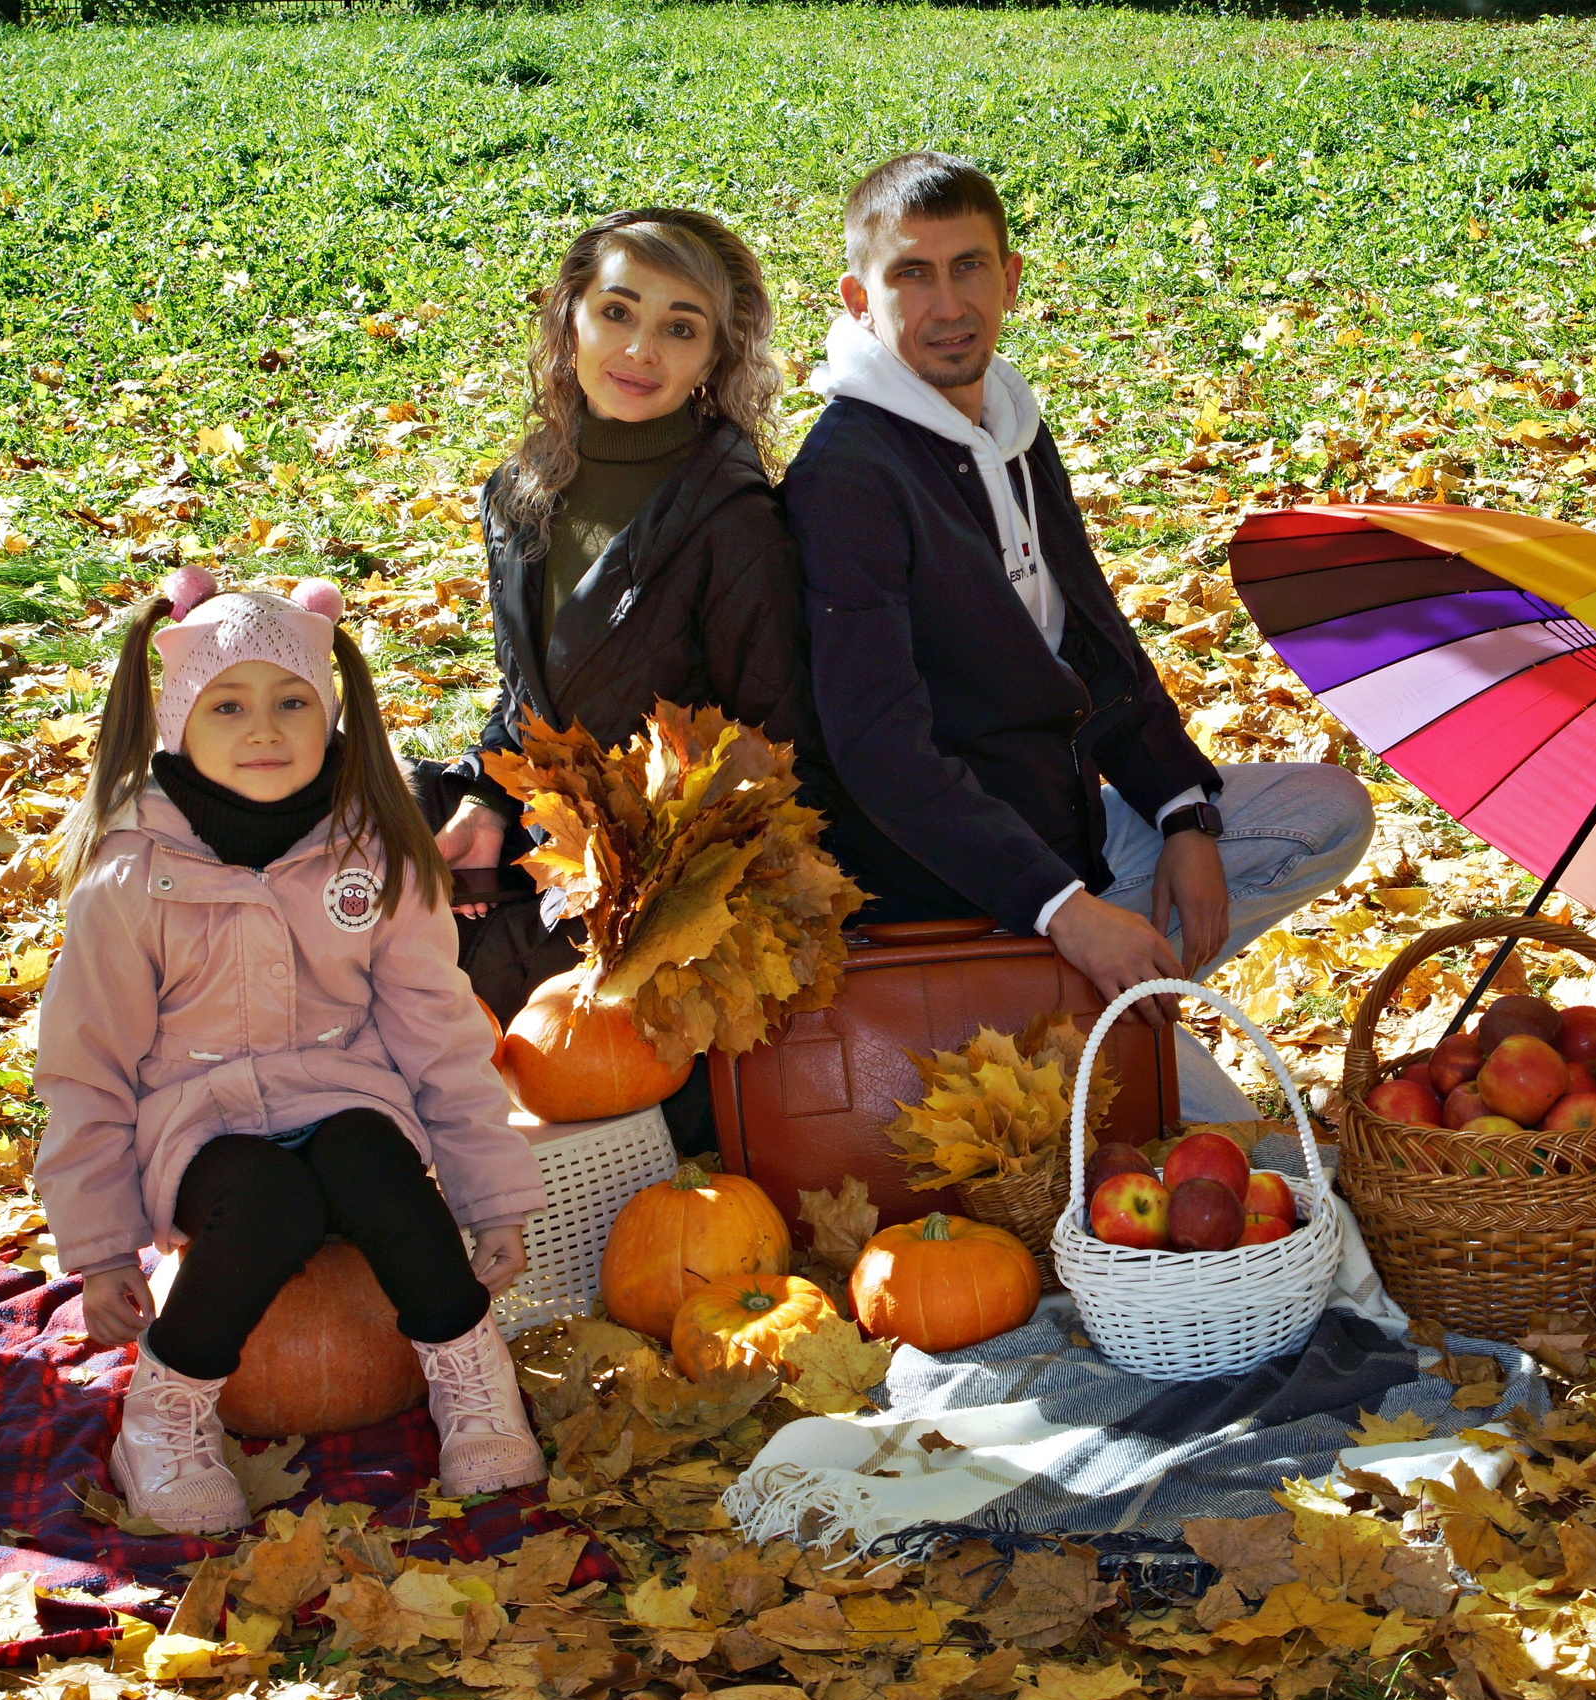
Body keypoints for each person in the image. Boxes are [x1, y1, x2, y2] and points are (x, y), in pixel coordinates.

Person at [785, 153, 1374, 1121]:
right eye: (912, 274)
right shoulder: (847, 476)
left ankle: (1106, 1001)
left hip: (1071, 848)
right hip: (959, 907)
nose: (948, 305)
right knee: (1250, 1157)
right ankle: (1061, 1008)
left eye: (970, 267)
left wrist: (1181, 815)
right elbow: (879, 751)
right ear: (858, 299)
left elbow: (1096, 646)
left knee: (1327, 811)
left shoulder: (1010, 427)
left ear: (1010, 278)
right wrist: (1064, 912)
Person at [36, 567, 549, 1536]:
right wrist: (100, 1249)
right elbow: (86, 1068)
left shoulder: (375, 854)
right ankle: (165, 1411)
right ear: (180, 721)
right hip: (197, 1128)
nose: (263, 729)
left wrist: (493, 1198)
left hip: (344, 1097)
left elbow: (439, 1035)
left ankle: (471, 1372)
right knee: (272, 1198)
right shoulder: (132, 877)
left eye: (291, 702)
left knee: (373, 1162)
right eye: (228, 705)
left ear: (332, 714)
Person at [419, 208, 834, 1030]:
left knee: (458, 995)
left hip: (663, 898)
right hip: (542, 835)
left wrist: (642, 885)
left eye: (680, 328)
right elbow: (527, 699)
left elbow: (777, 752)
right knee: (360, 821)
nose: (641, 350)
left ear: (714, 357)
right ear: (570, 317)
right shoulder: (521, 490)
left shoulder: (732, 522)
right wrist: (487, 802)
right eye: (617, 311)